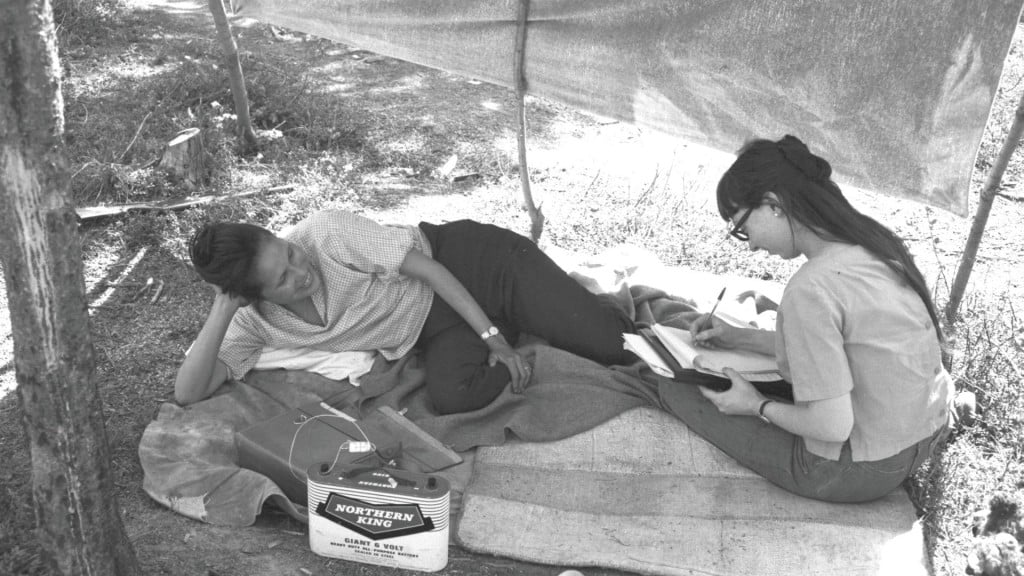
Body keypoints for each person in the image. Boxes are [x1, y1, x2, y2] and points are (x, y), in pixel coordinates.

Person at [662, 134, 953, 503]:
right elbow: (846, 348)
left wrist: (756, 405)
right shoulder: (875, 245)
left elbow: (831, 427)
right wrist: (737, 337)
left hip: (857, 470)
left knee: (668, 386)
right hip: (923, 436)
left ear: (773, 204)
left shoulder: (811, 288)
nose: (751, 245)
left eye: (742, 228)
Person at [174, 210, 636, 414]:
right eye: (282, 279)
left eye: (289, 252)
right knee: (454, 399)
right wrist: (222, 309)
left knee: (614, 348)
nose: (301, 270)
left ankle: (548, 313)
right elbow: (188, 393)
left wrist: (492, 338)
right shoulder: (252, 320)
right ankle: (526, 326)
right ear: (252, 296)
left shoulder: (327, 233)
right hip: (436, 325)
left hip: (475, 264)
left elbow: (429, 270)